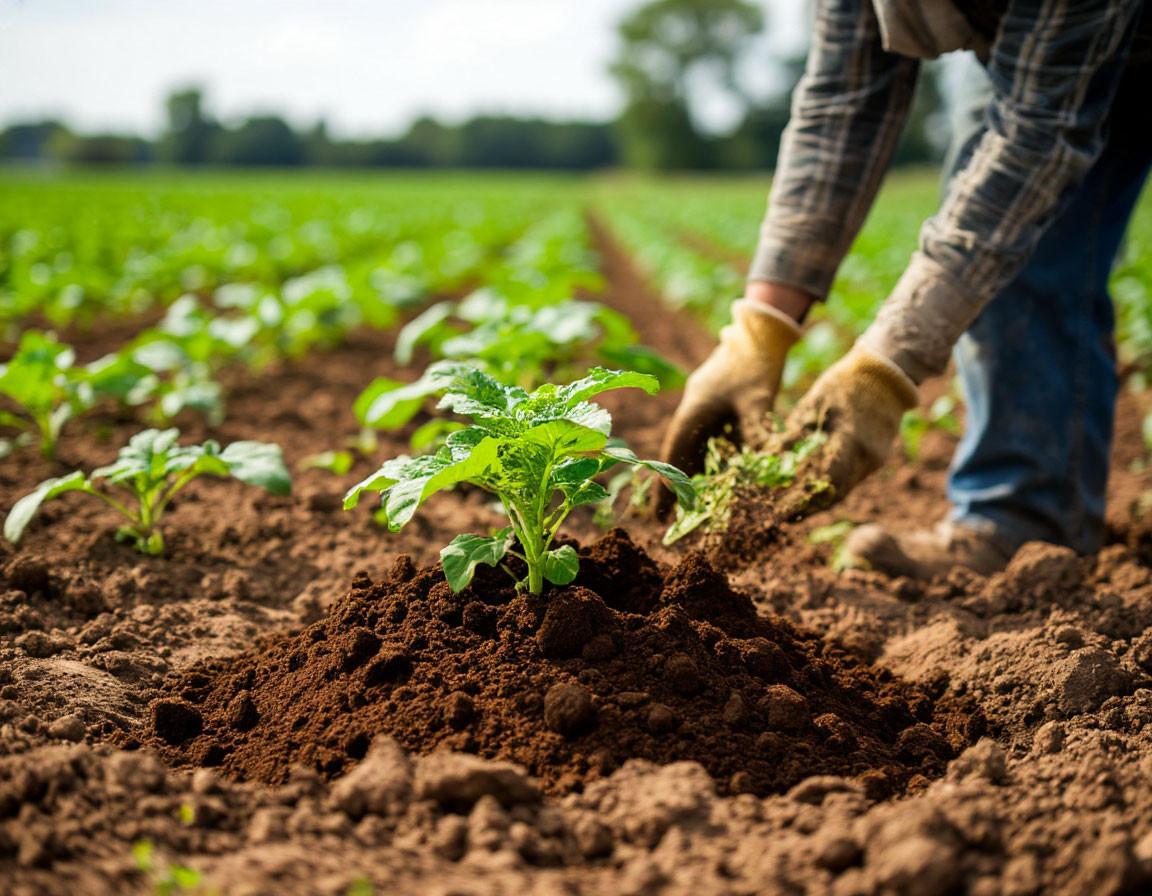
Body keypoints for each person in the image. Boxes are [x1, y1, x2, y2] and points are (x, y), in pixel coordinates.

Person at [660, 0, 1152, 580]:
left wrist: (883, 372)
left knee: (1024, 230)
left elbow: (1035, 144)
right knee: (988, 223)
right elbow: (841, 101)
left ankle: (1028, 522)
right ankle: (1023, 517)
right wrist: (758, 333)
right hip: (1021, 33)